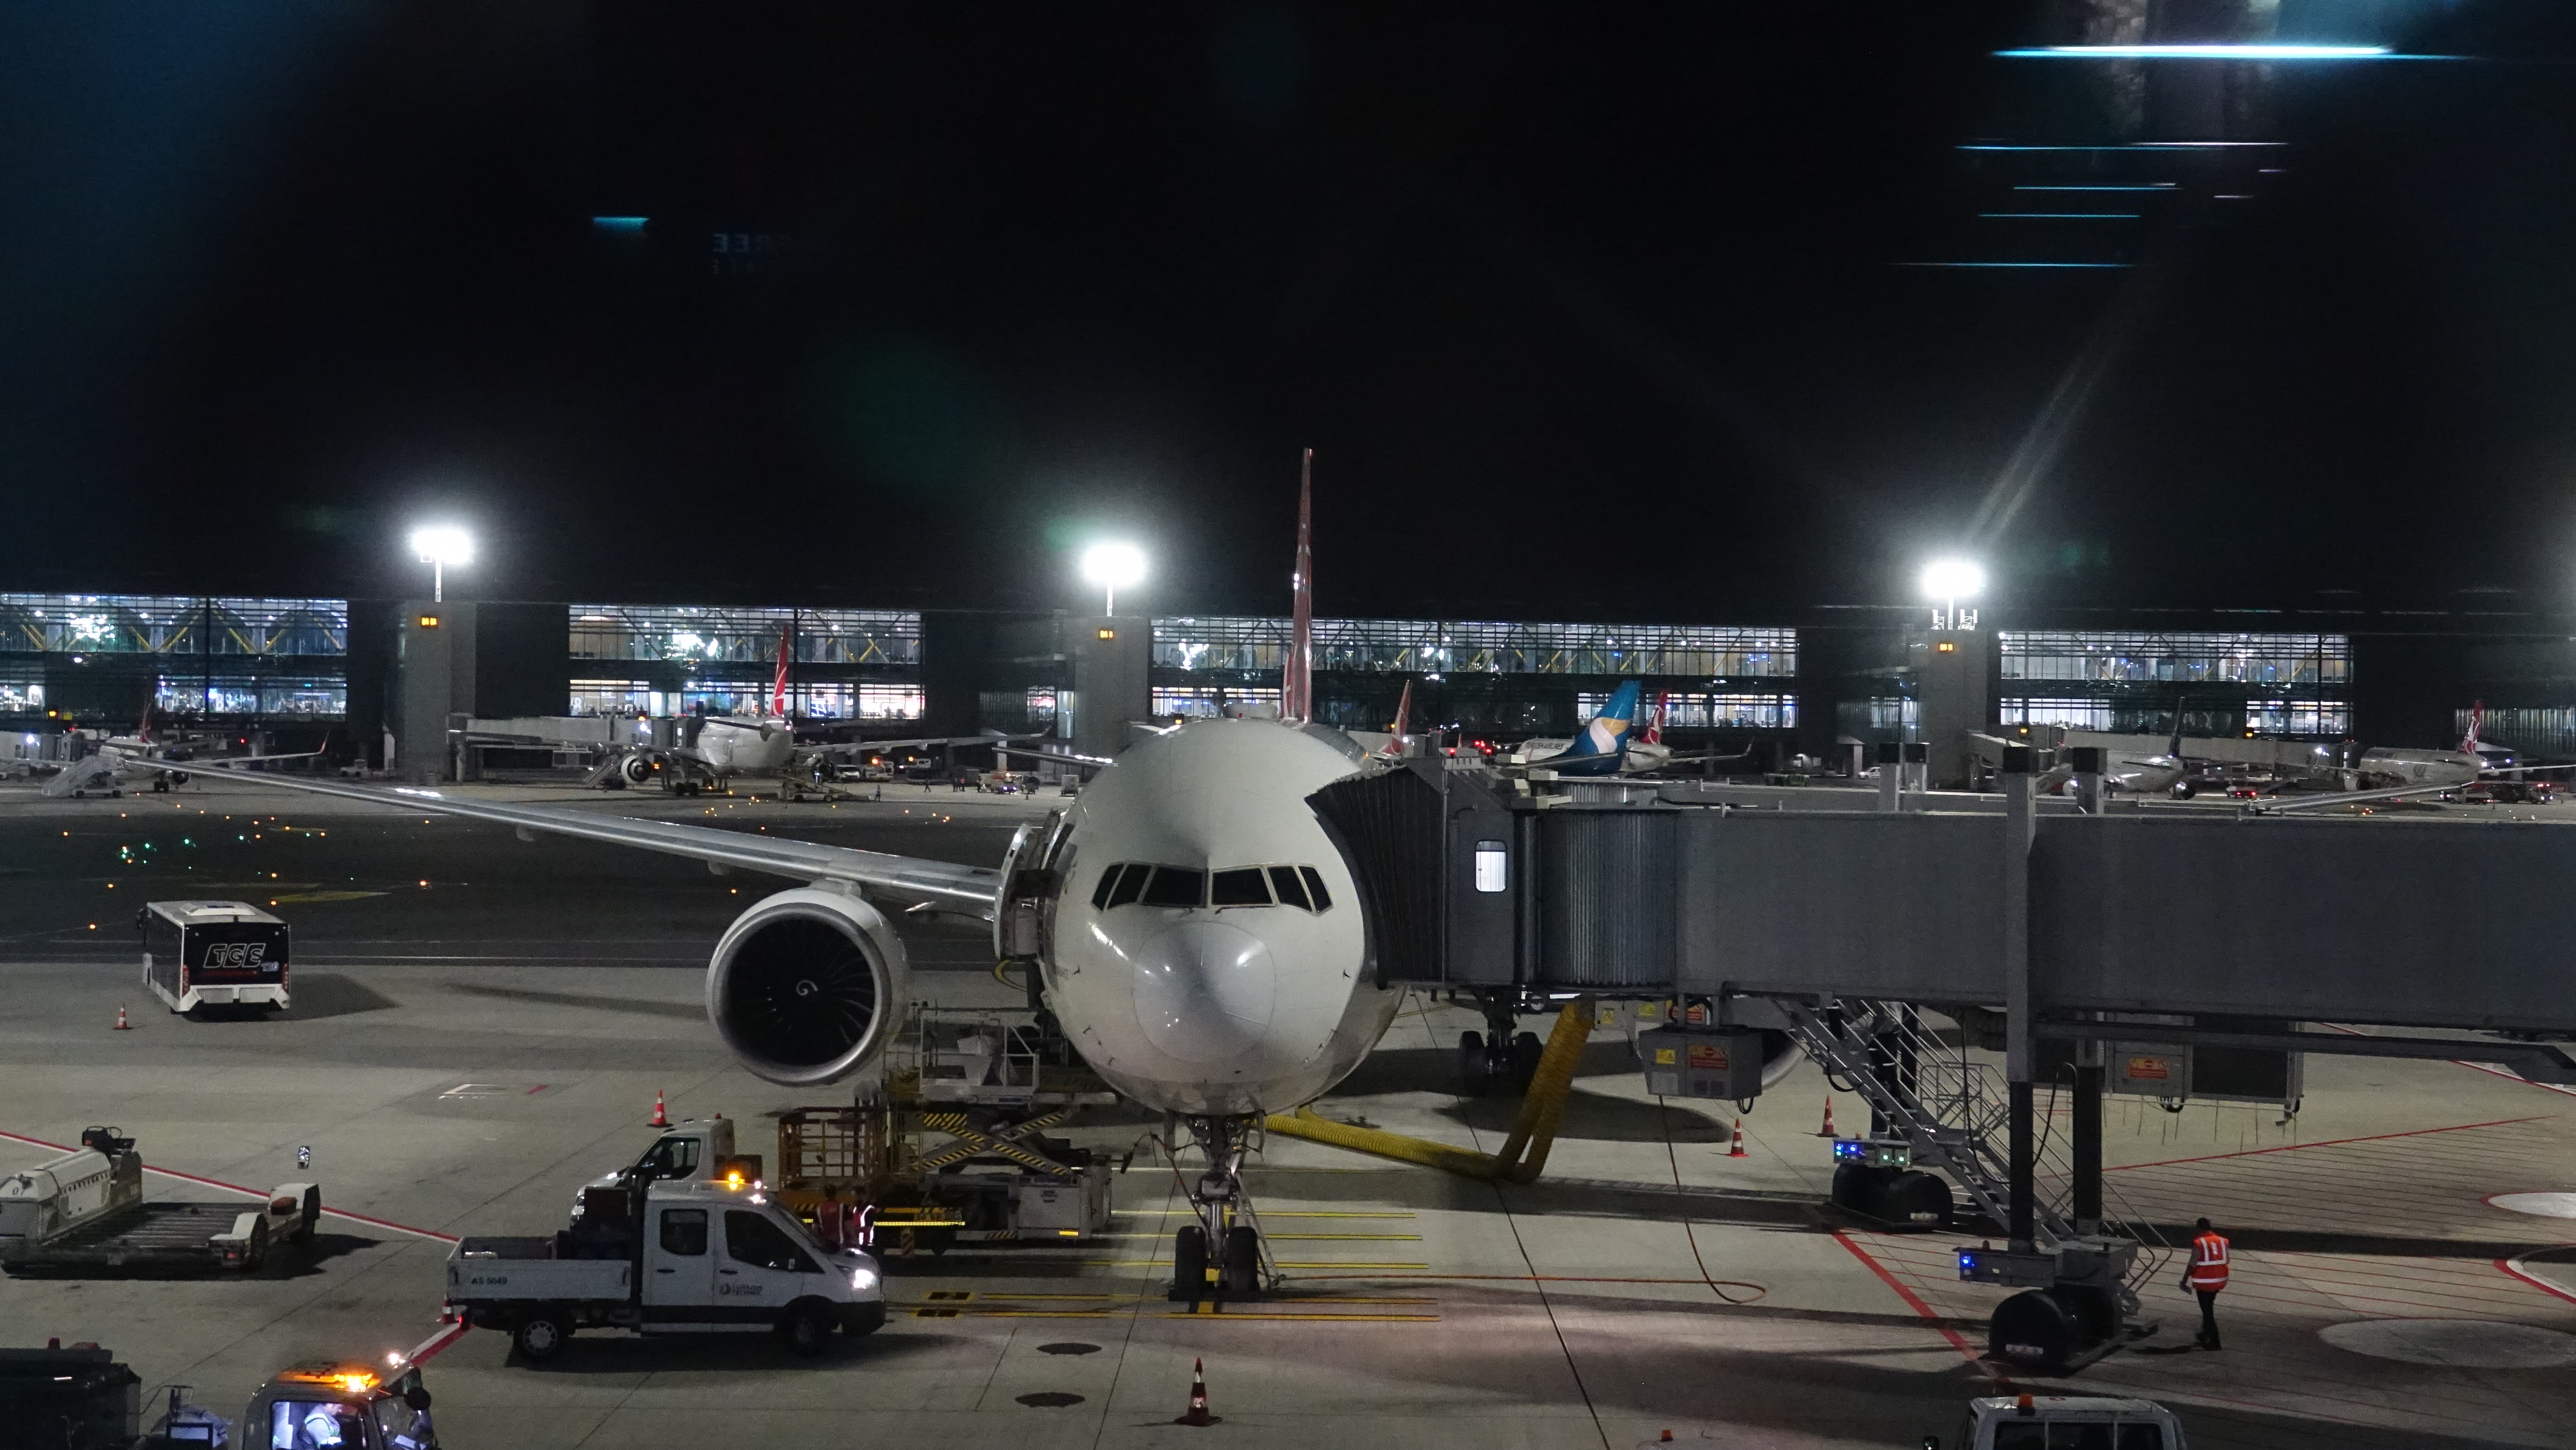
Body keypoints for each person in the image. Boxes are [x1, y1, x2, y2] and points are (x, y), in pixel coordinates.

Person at [2182, 1216, 2230, 1349]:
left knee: (2207, 1311)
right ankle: (2205, 1334)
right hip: (2220, 1281)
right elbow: (2227, 1260)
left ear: (2199, 1228)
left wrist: (2185, 1280)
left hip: (2204, 1283)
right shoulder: (2223, 1241)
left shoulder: (2199, 1243)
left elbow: (2192, 1264)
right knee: (2209, 1307)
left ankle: (2215, 1340)